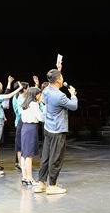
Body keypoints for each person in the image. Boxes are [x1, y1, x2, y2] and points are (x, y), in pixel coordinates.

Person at [34, 66, 78, 194]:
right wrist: (73, 95)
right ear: (58, 80)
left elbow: (53, 79)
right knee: (56, 157)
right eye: (61, 77)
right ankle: (52, 186)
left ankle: (41, 183)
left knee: (46, 156)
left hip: (48, 127)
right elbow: (74, 106)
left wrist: (58, 69)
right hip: (58, 130)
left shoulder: (47, 90)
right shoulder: (60, 96)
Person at [19, 87, 43, 185]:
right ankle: (31, 178)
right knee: (29, 155)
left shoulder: (25, 103)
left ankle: (25, 176)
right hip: (31, 128)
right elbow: (40, 118)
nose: (40, 96)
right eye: (39, 94)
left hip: (25, 128)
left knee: (24, 154)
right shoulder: (34, 104)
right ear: (35, 95)